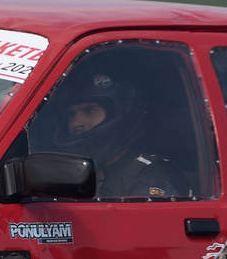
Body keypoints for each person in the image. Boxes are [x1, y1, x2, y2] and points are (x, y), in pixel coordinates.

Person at [34, 66, 193, 199]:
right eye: (72, 115)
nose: (76, 123)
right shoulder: (77, 173)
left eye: (90, 111)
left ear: (117, 116)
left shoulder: (151, 171)